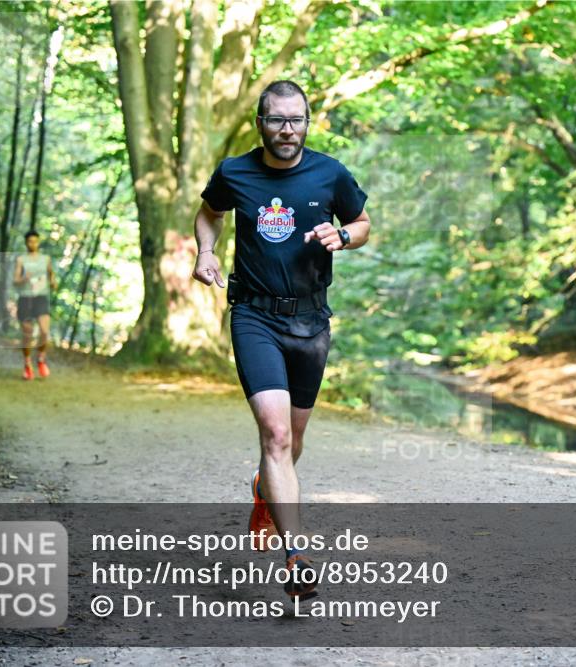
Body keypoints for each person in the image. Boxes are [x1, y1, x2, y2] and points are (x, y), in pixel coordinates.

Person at [192, 80, 370, 600]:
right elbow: (210, 212)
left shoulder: (330, 172)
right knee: (276, 437)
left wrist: (344, 236)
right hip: (254, 317)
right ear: (261, 123)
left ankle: (265, 489)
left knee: (293, 441)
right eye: (277, 121)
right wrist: (206, 253)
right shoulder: (235, 172)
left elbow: (360, 222)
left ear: (307, 123)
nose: (287, 130)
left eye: (296, 121)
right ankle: (297, 556)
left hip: (311, 322)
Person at [13, 230, 57, 380]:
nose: (33, 244)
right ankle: (27, 363)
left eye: (35, 241)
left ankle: (41, 359)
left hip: (41, 297)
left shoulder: (45, 259)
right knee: (27, 333)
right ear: (26, 243)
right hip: (25, 298)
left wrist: (52, 282)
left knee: (44, 331)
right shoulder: (21, 259)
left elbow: (51, 274)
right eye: (30, 241)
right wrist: (24, 278)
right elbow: (15, 280)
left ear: (38, 242)